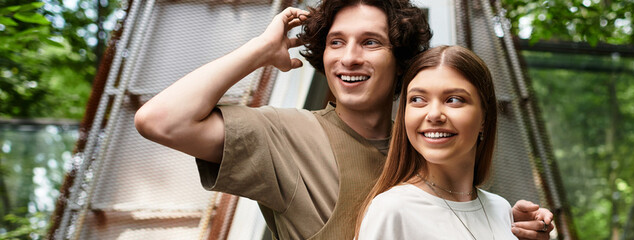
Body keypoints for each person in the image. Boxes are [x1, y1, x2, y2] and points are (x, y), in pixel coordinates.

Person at [134, 0, 554, 239]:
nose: (349, 57)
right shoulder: (285, 134)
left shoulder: (427, 139)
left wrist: (501, 224)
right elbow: (161, 120)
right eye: (336, 42)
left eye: (370, 42)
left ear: (401, 57)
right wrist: (260, 51)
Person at [356, 45, 513, 239]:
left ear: (484, 118)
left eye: (454, 100)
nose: (434, 115)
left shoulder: (501, 209)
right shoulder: (392, 210)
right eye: (418, 99)